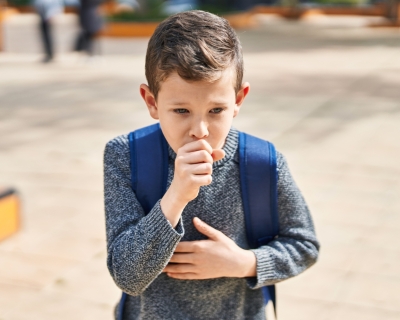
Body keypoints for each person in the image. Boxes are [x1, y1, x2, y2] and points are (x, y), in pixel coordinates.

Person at [104, 10, 320, 320]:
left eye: (216, 110)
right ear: (151, 102)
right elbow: (127, 276)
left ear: (239, 100)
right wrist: (176, 196)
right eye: (181, 110)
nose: (200, 130)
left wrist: (247, 263)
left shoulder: (263, 162)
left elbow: (304, 245)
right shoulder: (125, 155)